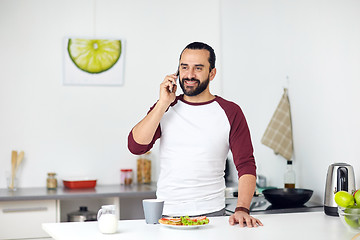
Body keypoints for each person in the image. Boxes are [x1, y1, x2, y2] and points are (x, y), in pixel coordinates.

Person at [128, 42, 263, 227]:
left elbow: (246, 164)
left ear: (212, 73)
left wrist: (242, 208)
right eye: (184, 67)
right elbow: (136, 146)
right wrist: (162, 103)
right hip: (167, 214)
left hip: (212, 215)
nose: (190, 75)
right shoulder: (166, 107)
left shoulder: (230, 111)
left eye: (198, 68)